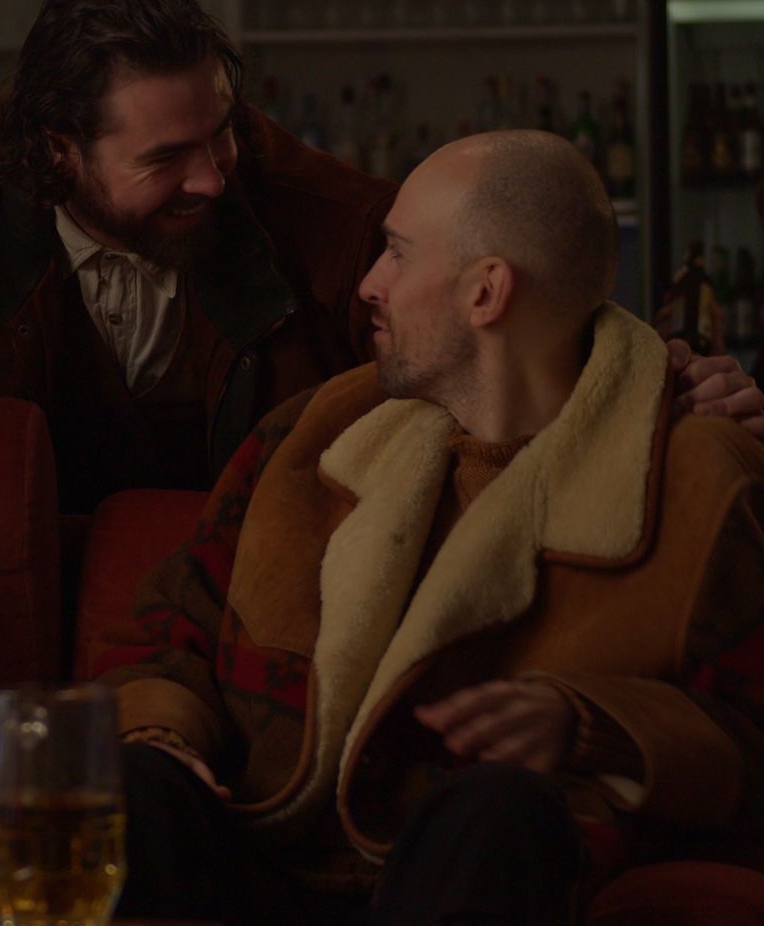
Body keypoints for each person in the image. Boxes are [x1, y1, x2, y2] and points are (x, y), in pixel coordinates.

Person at [0, 0, 763, 513]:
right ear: (59, 148)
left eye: (223, 131)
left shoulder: (308, 203)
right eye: (167, 157)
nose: (213, 176)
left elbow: (485, 322)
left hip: (240, 584)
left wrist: (656, 382)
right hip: (0, 600)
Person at [92, 130, 764, 926]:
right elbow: (170, 633)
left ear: (486, 293)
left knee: (499, 809)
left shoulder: (696, 475)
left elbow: (749, 737)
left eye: (397, 254)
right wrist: (162, 734)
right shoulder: (310, 434)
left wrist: (591, 725)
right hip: (267, 850)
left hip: (477, 872)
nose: (369, 284)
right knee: (131, 783)